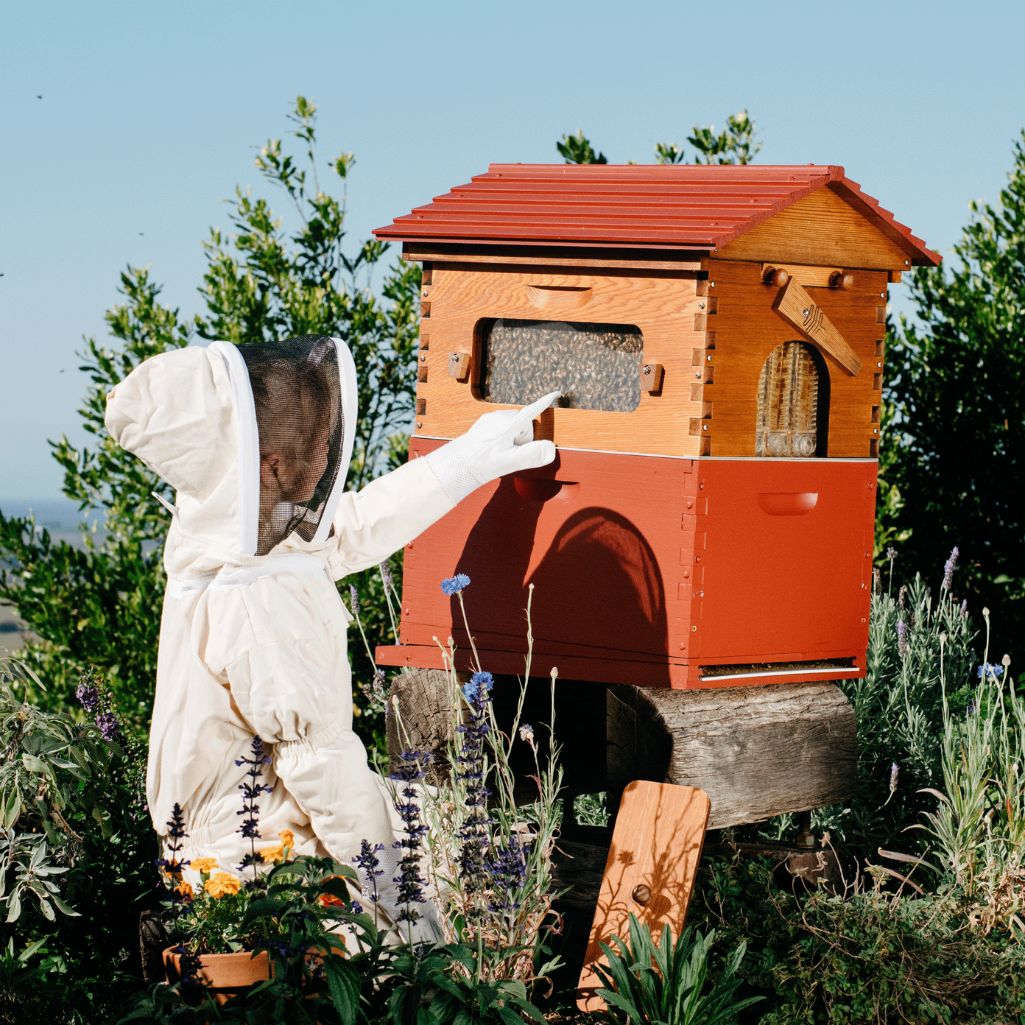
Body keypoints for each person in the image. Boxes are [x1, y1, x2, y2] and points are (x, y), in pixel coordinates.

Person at [104, 334, 557, 939]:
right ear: (268, 460)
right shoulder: (254, 597)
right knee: (446, 865)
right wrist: (407, 914)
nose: (324, 448)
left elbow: (345, 532)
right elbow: (324, 772)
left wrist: (464, 462)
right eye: (311, 434)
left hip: (236, 833)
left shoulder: (221, 536)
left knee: (440, 819)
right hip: (254, 874)